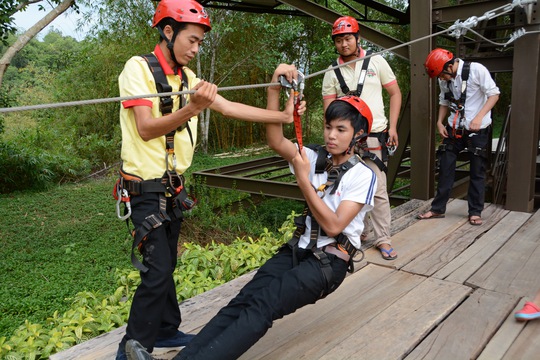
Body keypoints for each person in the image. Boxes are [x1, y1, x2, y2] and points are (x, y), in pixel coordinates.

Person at [125, 64, 377, 360]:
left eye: (341, 130)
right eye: (328, 127)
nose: (331, 135)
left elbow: (334, 226)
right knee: (242, 301)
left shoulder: (362, 175)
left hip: (328, 262)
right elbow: (275, 139)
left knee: (263, 305)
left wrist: (302, 179)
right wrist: (273, 85)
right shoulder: (314, 156)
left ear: (358, 135)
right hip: (298, 250)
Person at [114, 1, 297, 359]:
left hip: (172, 188)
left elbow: (230, 108)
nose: (196, 50)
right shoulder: (137, 69)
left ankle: (165, 330)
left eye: (200, 43)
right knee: (157, 269)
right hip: (144, 190)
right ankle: (130, 349)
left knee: (168, 265)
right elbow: (146, 129)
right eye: (193, 40)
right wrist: (192, 108)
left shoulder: (187, 80)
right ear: (169, 32)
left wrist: (283, 117)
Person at [322, 16, 401, 260]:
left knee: (377, 188)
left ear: (358, 39)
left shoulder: (376, 61)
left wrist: (394, 127)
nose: (344, 44)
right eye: (338, 40)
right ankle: (358, 232)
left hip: (373, 136)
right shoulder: (332, 72)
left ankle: (383, 238)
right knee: (345, 187)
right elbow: (329, 111)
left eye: (347, 38)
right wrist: (333, 137)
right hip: (347, 141)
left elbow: (395, 93)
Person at [417, 48, 500, 225]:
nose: (441, 78)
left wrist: (479, 117)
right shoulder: (445, 80)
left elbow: (494, 94)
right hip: (454, 129)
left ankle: (475, 212)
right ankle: (437, 209)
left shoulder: (476, 70)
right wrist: (439, 122)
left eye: (441, 75)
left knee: (477, 171)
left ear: (449, 66)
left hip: (477, 130)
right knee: (445, 165)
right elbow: (444, 101)